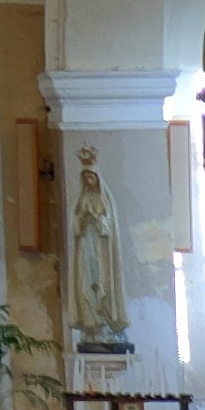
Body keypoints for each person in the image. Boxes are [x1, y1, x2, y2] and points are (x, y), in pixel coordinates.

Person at [67, 145, 130, 348]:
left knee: (103, 281)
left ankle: (108, 322)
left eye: (91, 177)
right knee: (88, 281)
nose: (88, 180)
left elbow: (108, 227)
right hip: (87, 246)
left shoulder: (106, 199)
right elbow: (76, 227)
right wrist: (82, 218)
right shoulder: (83, 198)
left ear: (97, 178)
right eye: (85, 178)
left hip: (102, 250)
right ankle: (92, 324)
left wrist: (98, 218)